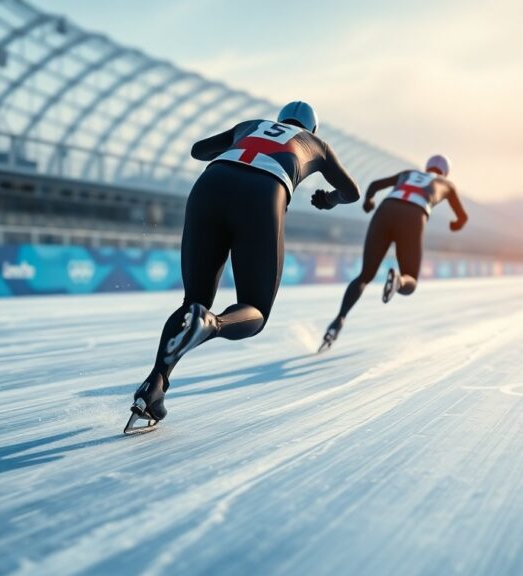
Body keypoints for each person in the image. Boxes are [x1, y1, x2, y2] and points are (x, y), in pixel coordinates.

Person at [125, 101, 361, 433]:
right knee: (255, 310)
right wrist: (328, 199)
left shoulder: (251, 125)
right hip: (263, 193)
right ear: (312, 130)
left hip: (211, 184)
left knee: (193, 302)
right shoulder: (317, 145)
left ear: (279, 120)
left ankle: (153, 388)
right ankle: (213, 324)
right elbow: (352, 192)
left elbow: (198, 150)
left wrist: (236, 142)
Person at [319, 154, 468, 352]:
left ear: (426, 166)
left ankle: (339, 319)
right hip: (414, 215)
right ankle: (399, 281)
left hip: (386, 209)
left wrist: (368, 202)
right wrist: (455, 225)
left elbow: (373, 185)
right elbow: (462, 218)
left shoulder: (408, 173)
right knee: (411, 279)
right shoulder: (447, 184)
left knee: (365, 275)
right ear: (446, 173)